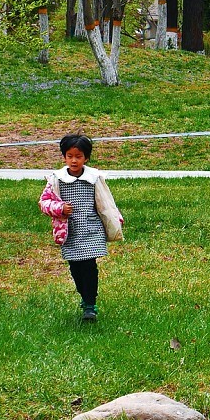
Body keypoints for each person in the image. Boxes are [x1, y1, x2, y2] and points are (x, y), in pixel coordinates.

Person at [38, 134, 121, 321]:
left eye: (79, 156)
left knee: (89, 266)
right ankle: (84, 297)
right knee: (76, 267)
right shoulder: (56, 180)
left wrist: (115, 218)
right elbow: (44, 202)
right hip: (70, 232)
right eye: (70, 156)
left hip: (92, 229)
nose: (74, 160)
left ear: (86, 157)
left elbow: (106, 202)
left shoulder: (94, 178)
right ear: (64, 156)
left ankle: (90, 305)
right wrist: (60, 208)